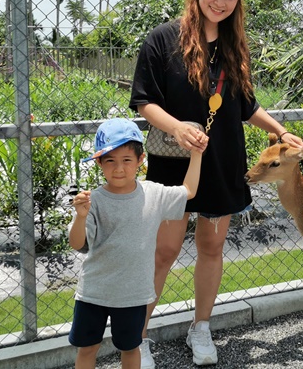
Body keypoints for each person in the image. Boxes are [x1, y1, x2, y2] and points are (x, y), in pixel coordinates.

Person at [129, 0, 303, 367]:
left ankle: (201, 327)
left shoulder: (233, 47)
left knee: (212, 245)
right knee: (164, 251)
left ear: (237, 1)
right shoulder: (161, 39)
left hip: (223, 159)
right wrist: (176, 128)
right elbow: (143, 101)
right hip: (174, 163)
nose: (220, 1)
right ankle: (138, 336)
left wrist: (278, 131)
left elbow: (245, 106)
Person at [68, 117, 205, 369]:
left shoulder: (153, 193)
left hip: (134, 294)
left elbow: (189, 191)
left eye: (126, 160)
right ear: (99, 162)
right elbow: (78, 243)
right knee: (87, 348)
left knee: (131, 349)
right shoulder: (93, 201)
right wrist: (80, 216)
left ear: (141, 161)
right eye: (110, 161)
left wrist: (196, 154)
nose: (118, 168)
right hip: (94, 292)